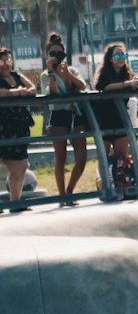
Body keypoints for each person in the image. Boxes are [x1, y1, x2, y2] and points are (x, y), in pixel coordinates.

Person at [38, 32, 89, 204]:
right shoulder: (45, 74)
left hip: (76, 114)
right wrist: (52, 73)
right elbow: (52, 93)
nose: (56, 57)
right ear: (47, 55)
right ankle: (62, 195)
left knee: (81, 157)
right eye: (53, 53)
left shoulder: (71, 69)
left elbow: (82, 86)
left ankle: (69, 192)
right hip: (58, 114)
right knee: (60, 157)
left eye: (60, 53)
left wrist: (67, 74)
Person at [92, 42, 138, 194]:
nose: (121, 58)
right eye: (118, 55)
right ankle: (103, 183)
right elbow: (103, 87)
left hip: (121, 119)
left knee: (122, 157)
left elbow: (135, 86)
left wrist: (136, 83)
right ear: (110, 58)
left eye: (124, 55)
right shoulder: (105, 74)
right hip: (104, 120)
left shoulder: (127, 73)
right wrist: (126, 84)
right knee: (104, 156)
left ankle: (120, 184)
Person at [0, 47, 36, 212]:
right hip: (3, 126)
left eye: (8, 60)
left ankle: (15, 202)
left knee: (21, 166)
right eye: (2, 60)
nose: (5, 64)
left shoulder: (17, 76)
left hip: (19, 125)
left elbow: (33, 89)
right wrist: (15, 93)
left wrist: (21, 92)